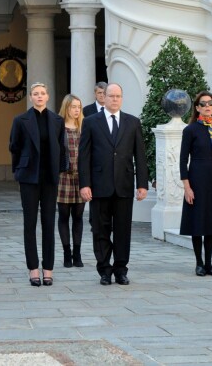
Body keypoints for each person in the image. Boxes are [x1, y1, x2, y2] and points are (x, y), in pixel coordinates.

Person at [78, 83, 148, 286]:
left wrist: (142, 183)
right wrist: (85, 184)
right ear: (104, 98)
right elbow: (84, 156)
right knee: (100, 229)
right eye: (111, 96)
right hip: (99, 186)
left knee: (123, 230)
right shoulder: (91, 122)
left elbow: (140, 156)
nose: (114, 99)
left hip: (124, 185)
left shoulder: (133, 122)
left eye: (118, 96)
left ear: (122, 98)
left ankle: (121, 270)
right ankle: (104, 270)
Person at [9, 82, 67, 287]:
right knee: (30, 223)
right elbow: (14, 147)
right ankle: (33, 268)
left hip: (50, 178)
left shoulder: (57, 120)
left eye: (43, 93)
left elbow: (62, 148)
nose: (39, 96)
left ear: (48, 96)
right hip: (29, 178)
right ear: (31, 97)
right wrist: (18, 171)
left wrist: (61, 169)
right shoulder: (20, 120)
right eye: (36, 94)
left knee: (49, 223)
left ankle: (48, 269)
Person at [179, 91, 212, 277]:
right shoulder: (190, 130)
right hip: (197, 179)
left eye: (210, 103)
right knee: (198, 222)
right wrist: (187, 187)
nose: (208, 106)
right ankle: (199, 263)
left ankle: (209, 263)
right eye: (204, 103)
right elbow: (183, 159)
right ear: (197, 107)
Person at [57, 94, 86, 268]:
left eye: (79, 107)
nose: (76, 110)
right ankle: (66, 253)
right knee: (63, 216)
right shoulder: (58, 127)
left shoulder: (84, 126)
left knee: (78, 216)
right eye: (73, 106)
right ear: (66, 107)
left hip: (80, 177)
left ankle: (77, 253)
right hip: (63, 177)